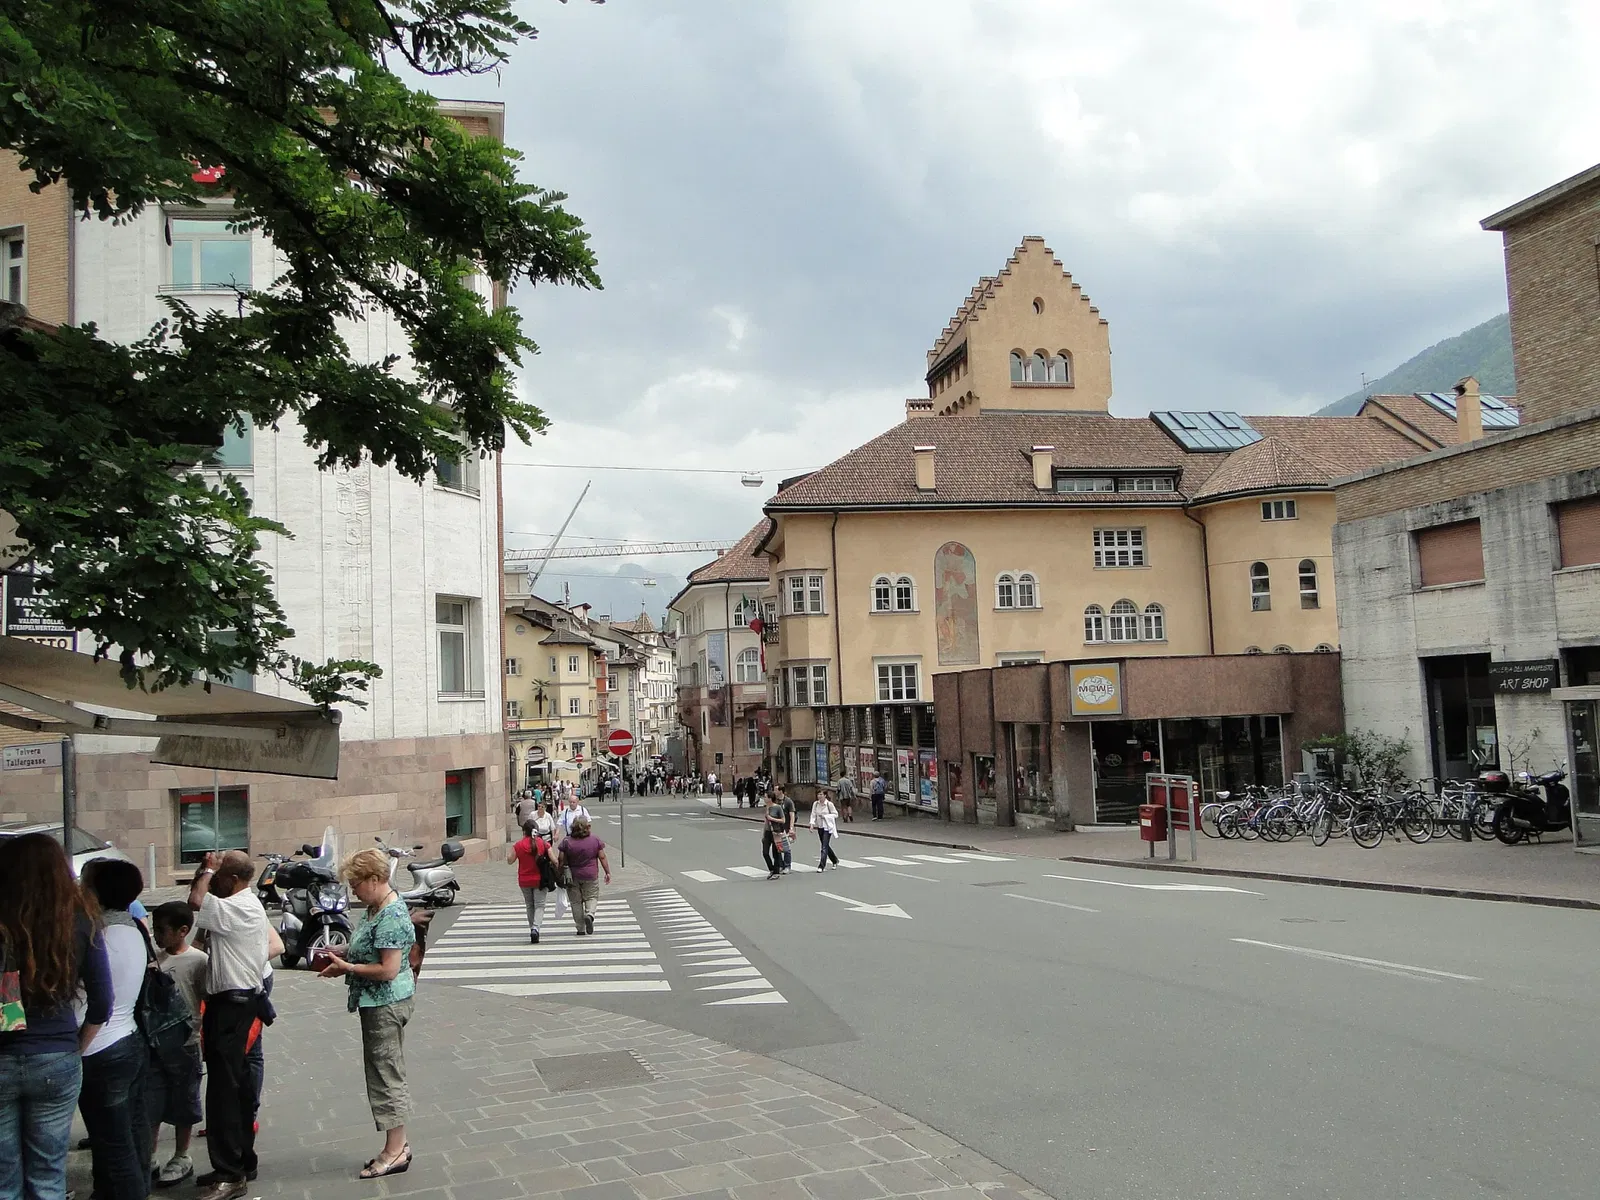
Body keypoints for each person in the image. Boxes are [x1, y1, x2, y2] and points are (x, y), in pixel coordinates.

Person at [0, 833, 112, 1200]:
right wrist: (74, 1047)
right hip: (57, 1054)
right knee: (48, 1173)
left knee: (4, 1177)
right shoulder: (80, 922)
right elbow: (102, 1002)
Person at [318, 848, 416, 1180]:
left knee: (386, 1074)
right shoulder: (377, 908)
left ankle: (396, 1149)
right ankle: (395, 1145)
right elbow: (370, 946)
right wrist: (343, 950)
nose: (353, 891)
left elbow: (387, 969)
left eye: (357, 883)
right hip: (378, 1002)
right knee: (382, 1071)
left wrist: (348, 967)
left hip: (385, 1003)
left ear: (374, 879)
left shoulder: (389, 914)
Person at [186, 850, 271, 1200]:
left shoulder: (238, 906)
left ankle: (230, 1172)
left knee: (224, 1091)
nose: (215, 880)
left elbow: (194, 899)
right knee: (233, 1089)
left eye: (220, 875)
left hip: (233, 1005)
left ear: (232, 879)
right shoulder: (239, 905)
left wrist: (208, 868)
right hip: (234, 1004)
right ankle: (239, 1161)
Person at [76, 857, 153, 1200]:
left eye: (84, 883)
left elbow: (95, 1003)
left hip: (99, 1047)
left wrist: (78, 1047)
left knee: (113, 1147)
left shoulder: (94, 933)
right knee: (132, 1138)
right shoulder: (135, 927)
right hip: (129, 1041)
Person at [147, 901, 207, 1189]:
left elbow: (203, 997)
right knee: (153, 1099)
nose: (157, 935)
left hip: (186, 1041)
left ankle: (182, 1155)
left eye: (162, 930)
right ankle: (149, 1155)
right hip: (155, 1041)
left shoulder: (198, 961)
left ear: (182, 931)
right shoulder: (155, 959)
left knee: (185, 1100)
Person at [555, 817, 611, 935]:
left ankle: (580, 928)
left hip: (572, 876)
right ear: (587, 827)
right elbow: (602, 857)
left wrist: (559, 873)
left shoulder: (566, 841)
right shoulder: (594, 840)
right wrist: (607, 872)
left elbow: (560, 859)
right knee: (591, 897)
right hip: (590, 874)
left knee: (576, 902)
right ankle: (590, 914)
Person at [507, 820, 554, 944]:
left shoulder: (518, 845)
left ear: (524, 831)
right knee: (539, 905)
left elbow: (510, 860)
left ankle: (532, 928)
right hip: (540, 880)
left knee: (529, 905)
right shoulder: (543, 844)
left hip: (524, 880)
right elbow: (554, 859)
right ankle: (535, 928)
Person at [810, 790, 841, 871]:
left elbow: (836, 814)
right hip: (820, 827)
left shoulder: (829, 804)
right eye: (818, 794)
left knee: (824, 847)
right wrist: (812, 824)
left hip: (827, 827)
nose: (819, 796)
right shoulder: (816, 804)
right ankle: (835, 860)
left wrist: (826, 816)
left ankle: (821, 866)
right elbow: (813, 814)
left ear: (825, 795)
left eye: (821, 794)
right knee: (825, 845)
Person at [762, 792, 789, 880]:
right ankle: (772, 869)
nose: (764, 799)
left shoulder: (777, 807)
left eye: (765, 797)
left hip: (776, 832)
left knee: (776, 853)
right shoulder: (767, 807)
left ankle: (776, 872)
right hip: (768, 832)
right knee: (765, 853)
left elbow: (783, 820)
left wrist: (772, 818)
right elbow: (766, 822)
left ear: (770, 798)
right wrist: (763, 834)